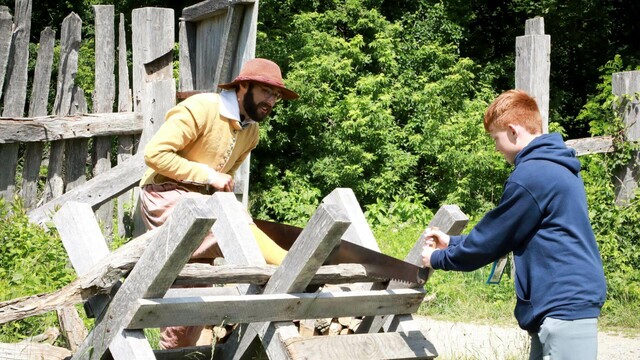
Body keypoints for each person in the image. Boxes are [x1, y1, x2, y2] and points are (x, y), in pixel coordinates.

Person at [421, 89, 606, 360]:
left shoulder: (533, 174)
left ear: (512, 131)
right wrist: (454, 242)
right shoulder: (556, 165)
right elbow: (509, 232)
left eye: (495, 138)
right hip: (561, 304)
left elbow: (493, 239)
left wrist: (437, 258)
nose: (496, 147)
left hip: (563, 306)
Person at [139, 58, 298, 349]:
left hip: (203, 206)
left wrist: (224, 198)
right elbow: (155, 154)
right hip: (164, 195)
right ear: (243, 86)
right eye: (266, 91)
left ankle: (173, 354)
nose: (271, 101)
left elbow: (224, 181)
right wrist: (208, 176)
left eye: (275, 96)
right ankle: (291, 266)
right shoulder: (202, 108)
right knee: (233, 223)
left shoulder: (251, 133)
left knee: (197, 292)